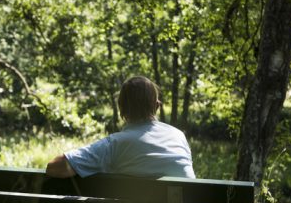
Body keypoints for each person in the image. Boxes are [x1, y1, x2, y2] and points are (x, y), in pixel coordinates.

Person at [45, 76, 195, 179]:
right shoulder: (178, 136)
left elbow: (54, 168)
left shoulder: (114, 144)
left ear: (121, 108)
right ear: (156, 106)